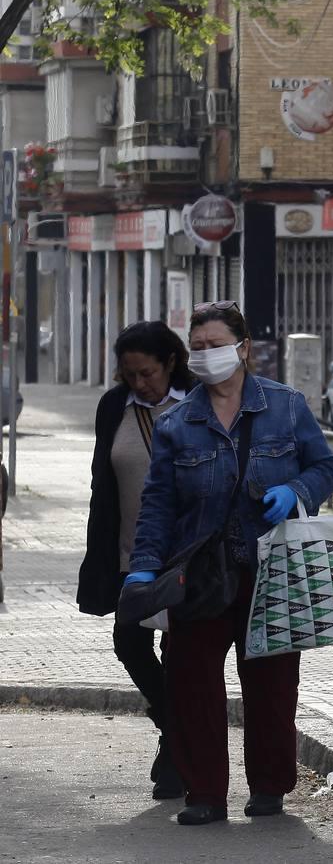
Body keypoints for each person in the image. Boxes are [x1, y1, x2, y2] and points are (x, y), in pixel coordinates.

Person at [127, 300, 333, 826]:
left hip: (272, 571)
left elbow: (324, 467)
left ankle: (269, 787)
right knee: (192, 685)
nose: (205, 356)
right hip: (198, 573)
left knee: (272, 686)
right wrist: (144, 566)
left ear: (242, 348)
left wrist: (296, 490)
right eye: (196, 348)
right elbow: (158, 504)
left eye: (215, 345)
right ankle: (204, 794)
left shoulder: (286, 407)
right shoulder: (178, 423)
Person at [77, 321, 194, 799]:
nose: (139, 384)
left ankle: (178, 755)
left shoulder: (198, 403)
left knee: (181, 653)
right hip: (130, 553)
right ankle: (176, 732)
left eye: (146, 373)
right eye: (129, 376)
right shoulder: (113, 407)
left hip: (187, 555)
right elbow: (102, 480)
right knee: (129, 643)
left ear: (170, 362)